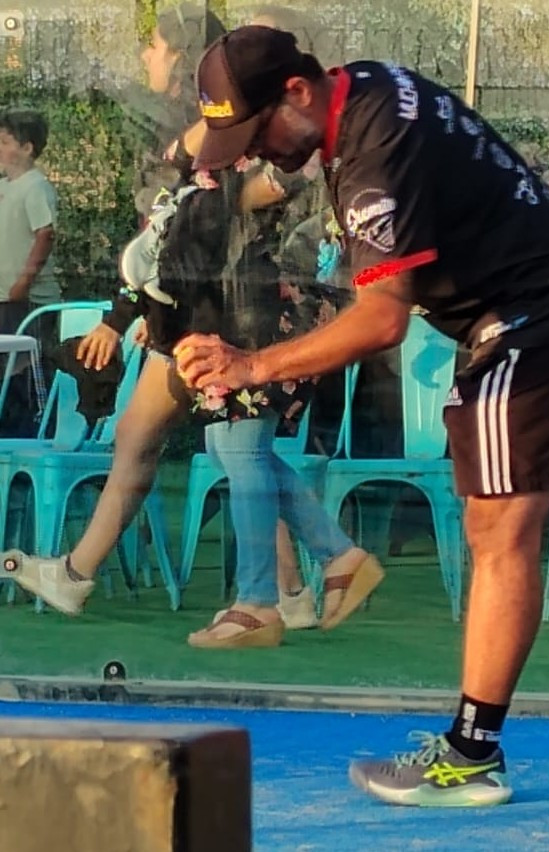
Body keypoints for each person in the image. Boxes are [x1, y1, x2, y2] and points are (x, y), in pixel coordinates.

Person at [175, 25, 549, 804]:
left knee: (498, 527)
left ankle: (471, 753)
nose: (255, 152)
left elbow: (382, 320)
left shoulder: (372, 159)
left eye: (257, 133)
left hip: (534, 312)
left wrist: (253, 365)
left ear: (298, 90)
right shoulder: (366, 84)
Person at [1, 8, 379, 645]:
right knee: (228, 447)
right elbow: (176, 220)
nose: (145, 56)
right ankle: (311, 573)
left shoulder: (267, 136)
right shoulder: (205, 133)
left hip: (246, 316)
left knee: (238, 448)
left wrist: (144, 301)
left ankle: (272, 593)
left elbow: (240, 206)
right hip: (210, 314)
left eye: (154, 45)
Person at [0, 107, 60, 436]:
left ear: (27, 148)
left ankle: (35, 434)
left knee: (25, 371)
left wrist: (24, 281)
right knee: (4, 371)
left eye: (5, 142)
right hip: (4, 299)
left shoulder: (35, 186)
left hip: (29, 301)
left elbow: (45, 233)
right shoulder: (5, 186)